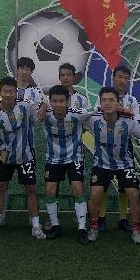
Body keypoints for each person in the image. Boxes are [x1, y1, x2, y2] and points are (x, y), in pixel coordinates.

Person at [0, 76, 46, 240]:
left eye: (11, 91)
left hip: (26, 156)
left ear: (16, 92)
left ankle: (36, 226)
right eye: (5, 91)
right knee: (0, 187)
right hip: (4, 156)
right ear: (0, 92)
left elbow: (42, 108)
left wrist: (44, 105)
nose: (8, 94)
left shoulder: (26, 106)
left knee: (31, 189)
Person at [84, 87, 140, 244]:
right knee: (95, 194)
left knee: (133, 194)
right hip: (101, 164)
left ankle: (137, 230)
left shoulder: (128, 122)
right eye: (104, 100)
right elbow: (77, 117)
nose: (107, 103)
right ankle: (93, 228)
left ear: (118, 103)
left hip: (124, 164)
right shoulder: (93, 120)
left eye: (111, 100)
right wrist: (94, 110)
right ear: (100, 103)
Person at [41, 85, 92, 243]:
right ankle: (55, 225)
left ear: (68, 101)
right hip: (53, 158)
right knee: (49, 190)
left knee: (77, 188)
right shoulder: (45, 114)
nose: (58, 104)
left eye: (61, 101)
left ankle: (82, 228)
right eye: (54, 101)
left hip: (74, 157)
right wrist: (42, 106)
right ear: (50, 102)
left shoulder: (78, 114)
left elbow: (97, 111)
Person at [106, 65, 140, 233]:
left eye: (126, 78)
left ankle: (122, 218)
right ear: (113, 78)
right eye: (119, 77)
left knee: (124, 186)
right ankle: (101, 218)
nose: (122, 80)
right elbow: (98, 113)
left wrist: (123, 111)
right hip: (105, 146)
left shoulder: (132, 100)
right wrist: (121, 111)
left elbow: (136, 121)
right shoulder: (105, 96)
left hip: (125, 147)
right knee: (102, 185)